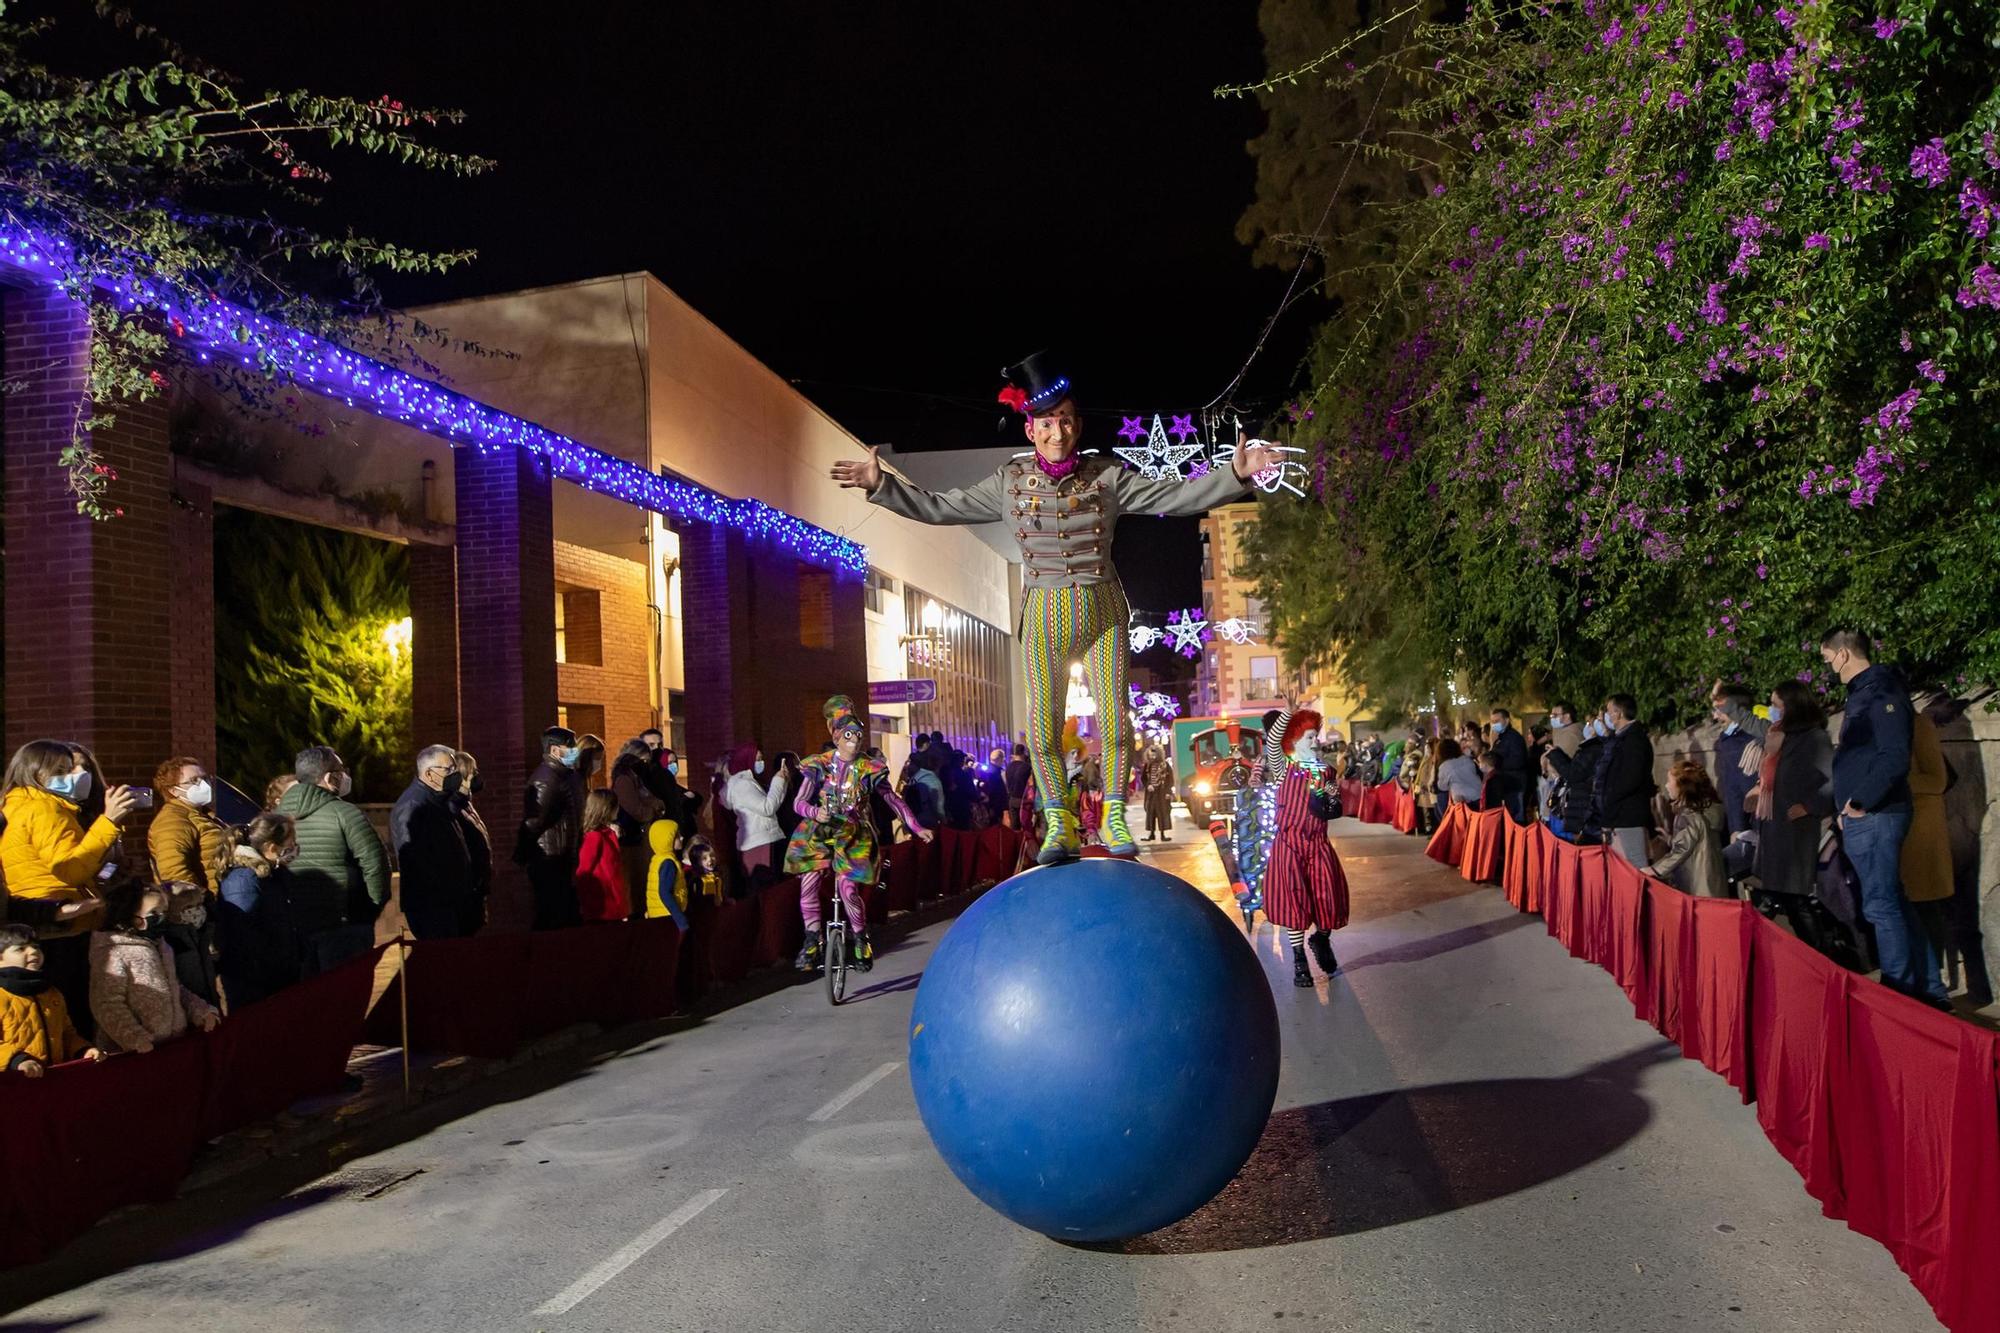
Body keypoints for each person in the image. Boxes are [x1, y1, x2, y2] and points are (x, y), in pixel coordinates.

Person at [834, 354, 1280, 862]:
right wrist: (881, 485)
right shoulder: (1010, 481)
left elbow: (1175, 495)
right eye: (1046, 422)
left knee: (1115, 725)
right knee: (1042, 728)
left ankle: (1113, 815)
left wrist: (1234, 476)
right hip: (1043, 617)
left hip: (1104, 613)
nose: (1057, 431)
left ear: (1079, 424)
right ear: (1030, 429)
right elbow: (941, 506)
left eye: (1066, 419)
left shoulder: (1107, 476)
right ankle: (1060, 824)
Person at [1821, 629, 1948, 1007]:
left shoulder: (1881, 691)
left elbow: (1893, 756)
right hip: (1866, 815)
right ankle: (1930, 990)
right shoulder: (1867, 690)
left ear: (1843, 654)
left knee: (1881, 905)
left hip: (1876, 814)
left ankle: (1901, 995)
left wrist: (1858, 802)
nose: (1827, 667)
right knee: (1894, 902)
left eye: (1827, 658)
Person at [785, 696, 932, 971]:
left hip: (854, 833)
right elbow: (798, 802)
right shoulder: (819, 764)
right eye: (849, 734)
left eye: (858, 735)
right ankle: (812, 938)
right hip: (819, 830)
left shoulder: (868, 767)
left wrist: (916, 827)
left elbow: (893, 800)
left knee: (848, 886)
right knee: (809, 878)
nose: (854, 740)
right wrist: (815, 813)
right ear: (837, 736)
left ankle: (860, 937)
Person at [1, 740, 136, 1030]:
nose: (73, 775)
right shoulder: (44, 809)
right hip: (64, 924)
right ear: (38, 772)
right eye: (62, 770)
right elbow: (70, 869)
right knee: (75, 1017)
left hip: (41, 921)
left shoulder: (16, 804)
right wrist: (109, 822)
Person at [275, 746, 390, 969]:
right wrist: (369, 911)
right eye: (341, 770)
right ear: (329, 777)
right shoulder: (345, 813)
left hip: (295, 928)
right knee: (347, 997)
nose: (345, 775)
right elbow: (376, 864)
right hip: (344, 927)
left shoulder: (275, 817)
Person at [1259, 708, 1349, 987]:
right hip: (1290, 845)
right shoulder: (1284, 767)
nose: (1315, 742)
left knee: (1328, 900)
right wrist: (1288, 712)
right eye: (1309, 737)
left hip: (1318, 844)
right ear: (1295, 741)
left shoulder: (1327, 771)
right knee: (1293, 903)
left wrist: (1333, 801)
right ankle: (1299, 961)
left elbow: (1333, 811)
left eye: (1315, 737)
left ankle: (1321, 939)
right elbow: (1273, 743)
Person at [88, 877, 221, 1054]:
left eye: (164, 911)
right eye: (154, 913)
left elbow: (174, 988)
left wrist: (201, 1011)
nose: (162, 918)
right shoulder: (112, 953)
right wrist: (135, 1038)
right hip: (137, 1053)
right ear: (133, 918)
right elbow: (106, 1004)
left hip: (172, 1044)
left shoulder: (161, 946)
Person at [215, 812, 306, 1009]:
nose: (294, 850)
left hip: (278, 973)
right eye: (290, 845)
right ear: (272, 848)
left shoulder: (274, 874)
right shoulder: (244, 880)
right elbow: (241, 939)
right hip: (255, 982)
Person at [1752, 681, 1834, 899]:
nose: (1770, 709)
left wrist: (1809, 806)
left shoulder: (1814, 738)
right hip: (1775, 828)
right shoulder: (1779, 737)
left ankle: (1812, 935)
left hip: (1796, 830)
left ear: (1790, 707)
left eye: (1775, 704)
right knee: (1780, 898)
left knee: (1797, 899)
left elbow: (1831, 782)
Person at [390, 745, 479, 940]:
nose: (454, 774)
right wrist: (445, 890)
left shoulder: (434, 800)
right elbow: (413, 858)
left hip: (448, 901)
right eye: (449, 770)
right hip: (432, 905)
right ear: (429, 774)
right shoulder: (413, 806)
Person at [0, 924, 103, 1076]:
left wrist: (82, 1049)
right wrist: (17, 1061)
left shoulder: (51, 993)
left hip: (52, 1079)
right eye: (20, 949)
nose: (33, 951)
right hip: (12, 1084)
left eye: (36, 947)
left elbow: (66, 1033)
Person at [1902, 710, 1955, 968]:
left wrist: (1892, 777)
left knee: (1926, 908)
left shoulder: (1919, 724)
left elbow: (1937, 780)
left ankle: (1933, 980)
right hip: (1901, 832)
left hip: (1921, 832)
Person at [520, 726, 585, 931]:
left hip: (562, 857)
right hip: (551, 859)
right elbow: (534, 821)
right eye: (571, 747)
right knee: (552, 916)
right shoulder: (546, 778)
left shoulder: (565, 776)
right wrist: (523, 854)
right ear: (555, 750)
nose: (575, 750)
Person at [1646, 760, 1726, 896]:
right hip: (1711, 883)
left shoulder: (1688, 815)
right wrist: (1671, 839)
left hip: (1696, 887)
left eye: (1669, 781)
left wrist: (1656, 870)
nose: (1666, 785)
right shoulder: (1705, 810)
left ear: (1682, 786)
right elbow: (1695, 843)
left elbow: (1683, 849)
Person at [1592, 695, 1655, 867]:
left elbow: (1630, 778)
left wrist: (1610, 797)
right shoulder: (1620, 739)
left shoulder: (1634, 740)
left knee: (1636, 865)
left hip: (1628, 814)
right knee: (1621, 866)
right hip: (1617, 814)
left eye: (1608, 711)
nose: (1606, 716)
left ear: (1618, 713)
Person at [147, 757, 227, 891]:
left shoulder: (205, 815)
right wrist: (201, 899)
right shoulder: (171, 821)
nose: (204, 785)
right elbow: (173, 871)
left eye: (205, 778)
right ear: (173, 790)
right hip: (210, 903)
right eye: (194, 780)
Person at [719, 743, 790, 888]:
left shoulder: (748, 782)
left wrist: (783, 782)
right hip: (758, 843)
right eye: (757, 759)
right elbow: (767, 808)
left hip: (762, 840)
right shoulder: (743, 785)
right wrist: (778, 781)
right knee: (765, 888)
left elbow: (773, 804)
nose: (760, 763)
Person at [611, 738, 668, 917]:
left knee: (643, 879)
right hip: (632, 838)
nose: (645, 764)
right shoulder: (624, 779)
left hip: (641, 837)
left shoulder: (636, 777)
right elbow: (636, 809)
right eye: (643, 760)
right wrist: (653, 810)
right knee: (636, 882)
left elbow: (652, 799)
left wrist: (655, 805)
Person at [1708, 682, 1770, 840]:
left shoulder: (1760, 736)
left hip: (1764, 820)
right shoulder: (1726, 739)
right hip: (1743, 824)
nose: (1715, 716)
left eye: (1719, 710)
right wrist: (1736, 827)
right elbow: (1731, 788)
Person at [449, 749, 493, 935]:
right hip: (468, 892)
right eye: (473, 771)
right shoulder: (453, 807)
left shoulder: (465, 804)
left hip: (476, 889)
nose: (476, 776)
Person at [573, 790, 630, 922]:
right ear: (606, 809)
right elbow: (583, 871)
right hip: (602, 905)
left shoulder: (606, 833)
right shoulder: (594, 837)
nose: (619, 809)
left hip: (613, 900)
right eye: (616, 806)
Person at [1553, 716, 1608, 841]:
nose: (1587, 726)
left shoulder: (1593, 749)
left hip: (1585, 806)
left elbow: (1574, 774)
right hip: (1583, 805)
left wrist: (1556, 756)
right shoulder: (1590, 748)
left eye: (1591, 722)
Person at [640, 817, 687, 926]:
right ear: (667, 840)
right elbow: (664, 892)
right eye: (677, 836)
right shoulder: (668, 863)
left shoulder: (657, 859)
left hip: (659, 914)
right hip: (668, 916)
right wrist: (680, 919)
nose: (682, 837)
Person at [1486, 708, 1529, 821]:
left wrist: (1499, 764)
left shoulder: (1514, 738)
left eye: (1497, 721)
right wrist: (1492, 744)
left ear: (1507, 720)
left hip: (1516, 783)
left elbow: (1518, 761)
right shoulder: (1499, 738)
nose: (1494, 724)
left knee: (1517, 817)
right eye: (1492, 721)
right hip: (1505, 784)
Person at [1141, 743, 1176, 841]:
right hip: (1151, 794)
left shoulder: (1165, 765)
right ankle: (1151, 834)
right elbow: (1143, 778)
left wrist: (1168, 792)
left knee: (1162, 813)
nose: (1152, 756)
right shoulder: (1147, 766)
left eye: (1154, 754)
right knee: (1150, 813)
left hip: (1162, 792)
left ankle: (1162, 834)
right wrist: (1148, 786)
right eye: (1150, 755)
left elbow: (1170, 779)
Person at [1433, 738, 1482, 808]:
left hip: (1463, 800)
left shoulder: (1444, 766)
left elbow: (1442, 787)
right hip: (1478, 795)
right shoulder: (1467, 759)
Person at [684, 837, 724, 907]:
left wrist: (725, 900)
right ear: (698, 862)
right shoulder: (696, 879)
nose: (710, 859)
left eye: (712, 856)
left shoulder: (716, 875)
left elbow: (720, 893)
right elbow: (694, 899)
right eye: (704, 858)